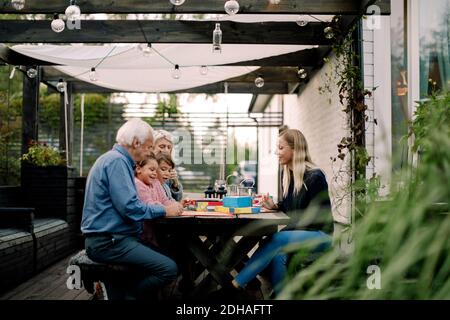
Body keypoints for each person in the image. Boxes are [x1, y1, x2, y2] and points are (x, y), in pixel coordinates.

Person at [81, 118, 184, 300]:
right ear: (136, 143)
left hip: (112, 240)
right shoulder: (117, 162)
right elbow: (130, 208)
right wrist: (164, 211)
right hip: (109, 242)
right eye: (149, 146)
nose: (151, 151)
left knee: (169, 254)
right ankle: (126, 296)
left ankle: (116, 291)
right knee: (169, 268)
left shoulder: (114, 159)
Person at [231, 129, 333, 296]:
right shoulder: (288, 175)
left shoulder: (315, 177)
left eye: (281, 148)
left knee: (276, 239)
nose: (276, 152)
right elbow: (293, 206)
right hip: (301, 234)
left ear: (295, 149)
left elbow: (319, 217)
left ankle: (235, 285)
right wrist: (275, 206)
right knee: (278, 255)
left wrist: (288, 233)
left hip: (321, 235)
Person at [135, 152, 180, 246]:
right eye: (152, 170)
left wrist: (176, 205)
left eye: (156, 170)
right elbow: (150, 204)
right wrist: (167, 209)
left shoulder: (155, 183)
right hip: (143, 236)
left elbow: (165, 200)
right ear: (138, 169)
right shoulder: (138, 184)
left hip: (155, 230)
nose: (155, 174)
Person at [153, 129, 183, 201]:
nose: (166, 150)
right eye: (162, 146)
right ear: (152, 147)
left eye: (169, 147)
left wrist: (175, 183)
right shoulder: (143, 168)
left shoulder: (168, 167)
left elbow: (177, 199)